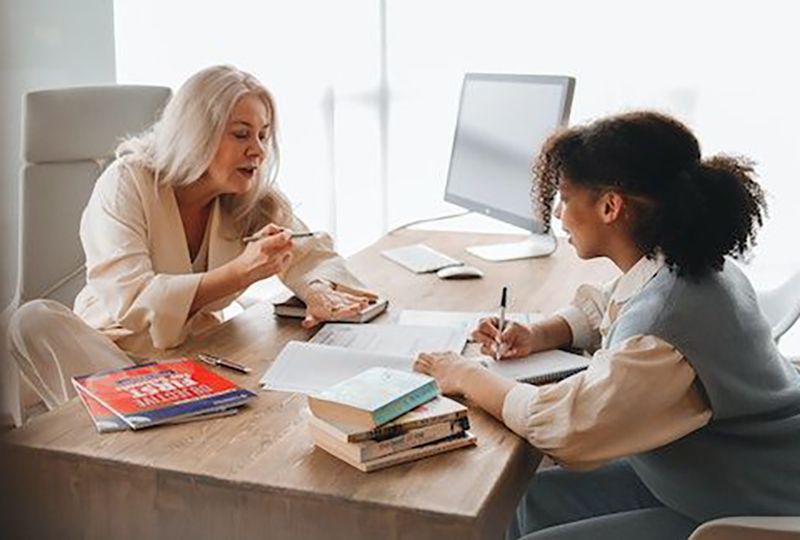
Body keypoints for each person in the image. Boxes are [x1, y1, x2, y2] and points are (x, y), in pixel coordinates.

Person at [413, 111, 800, 539]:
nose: (559, 214)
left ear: (610, 206)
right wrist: (541, 333)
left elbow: (566, 427)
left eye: (564, 197)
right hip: (714, 470)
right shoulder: (690, 266)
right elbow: (615, 305)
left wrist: (467, 375)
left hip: (749, 503)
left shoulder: (665, 331)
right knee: (527, 498)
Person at [7, 65, 375, 413]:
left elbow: (309, 251)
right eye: (242, 133)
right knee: (33, 320)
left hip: (195, 355)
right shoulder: (127, 183)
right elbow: (132, 301)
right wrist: (240, 273)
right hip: (108, 351)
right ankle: (150, 416)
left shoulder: (251, 198)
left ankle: (162, 420)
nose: (259, 150)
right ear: (198, 132)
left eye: (263, 135)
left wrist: (317, 290)